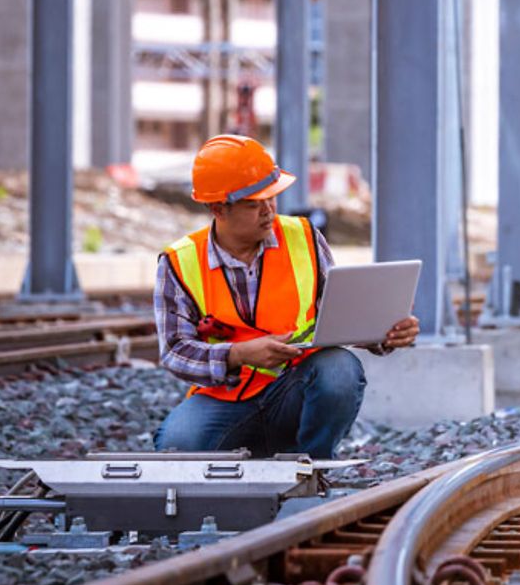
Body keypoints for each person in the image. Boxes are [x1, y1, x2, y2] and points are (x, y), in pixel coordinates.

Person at [153, 135, 420, 455]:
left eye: (272, 197)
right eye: (254, 203)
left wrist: (384, 333)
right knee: (177, 446)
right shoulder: (179, 262)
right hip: (226, 398)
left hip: (296, 388)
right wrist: (238, 355)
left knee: (338, 370)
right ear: (217, 209)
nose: (268, 210)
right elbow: (175, 352)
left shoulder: (304, 238)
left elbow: (338, 318)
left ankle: (313, 467)